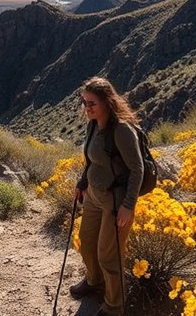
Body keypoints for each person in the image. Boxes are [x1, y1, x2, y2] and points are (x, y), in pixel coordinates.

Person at [69, 76, 145, 316]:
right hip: (93, 195)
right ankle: (94, 281)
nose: (87, 108)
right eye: (84, 102)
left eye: (92, 103)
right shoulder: (93, 124)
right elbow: (91, 160)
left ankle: (114, 306)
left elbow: (137, 169)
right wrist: (82, 182)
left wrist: (128, 205)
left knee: (108, 256)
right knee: (87, 243)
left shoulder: (121, 130)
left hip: (115, 200)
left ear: (107, 102)